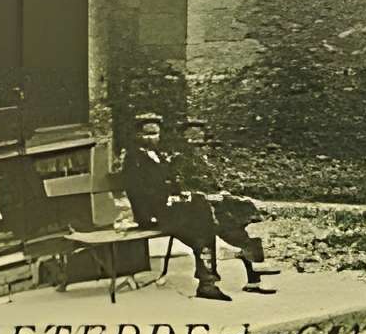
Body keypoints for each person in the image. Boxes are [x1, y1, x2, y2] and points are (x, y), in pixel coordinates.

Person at [112, 112, 276, 301]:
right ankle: (215, 280)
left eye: (155, 133)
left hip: (172, 209)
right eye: (147, 134)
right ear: (137, 135)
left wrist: (181, 194)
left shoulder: (158, 155)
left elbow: (172, 183)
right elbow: (138, 193)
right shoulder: (134, 160)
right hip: (155, 215)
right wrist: (154, 212)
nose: (152, 138)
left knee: (219, 218)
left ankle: (246, 266)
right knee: (205, 226)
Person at [179, 122, 278, 295]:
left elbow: (215, 185)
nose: (199, 145)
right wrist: (206, 197)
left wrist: (222, 193)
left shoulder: (206, 161)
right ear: (185, 140)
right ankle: (215, 281)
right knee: (231, 233)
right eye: (193, 140)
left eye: (201, 141)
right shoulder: (180, 162)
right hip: (194, 209)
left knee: (245, 236)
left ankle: (254, 280)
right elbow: (179, 190)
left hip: (215, 208)